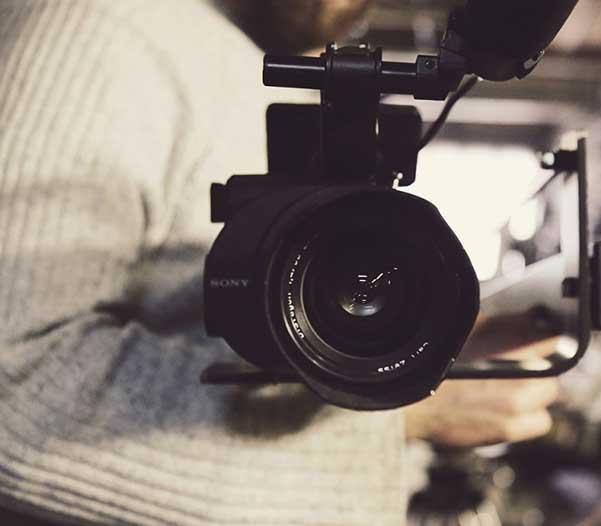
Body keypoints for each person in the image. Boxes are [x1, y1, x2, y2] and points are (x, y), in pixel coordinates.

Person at [0, 1, 557, 524]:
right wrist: (401, 420)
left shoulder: (250, 58)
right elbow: (18, 385)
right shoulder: (105, 23)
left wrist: (422, 354)